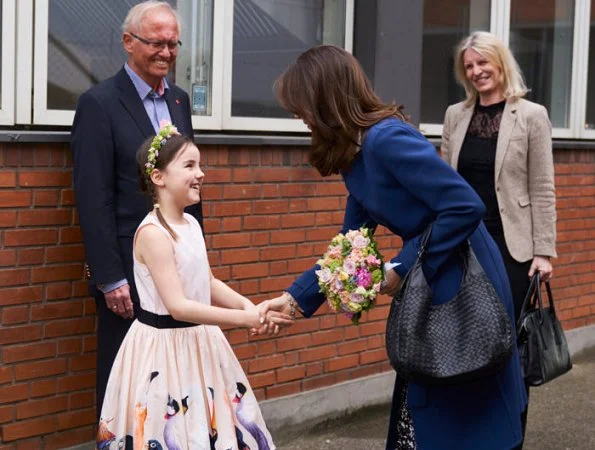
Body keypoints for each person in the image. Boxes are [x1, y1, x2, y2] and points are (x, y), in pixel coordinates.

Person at [268, 45, 527, 449]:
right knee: (433, 405)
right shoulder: (353, 155)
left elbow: (464, 206)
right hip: (432, 277)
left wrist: (402, 266)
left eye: (300, 107)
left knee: (465, 406)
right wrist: (295, 299)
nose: (298, 117)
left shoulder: (385, 139)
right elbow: (351, 245)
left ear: (324, 100)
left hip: (462, 276)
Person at [96, 123, 289, 449]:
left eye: (200, 165)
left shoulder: (190, 224)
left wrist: (246, 305)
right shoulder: (154, 234)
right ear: (159, 177)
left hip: (200, 342)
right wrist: (245, 320)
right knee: (174, 428)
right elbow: (178, 306)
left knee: (210, 428)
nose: (200, 173)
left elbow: (206, 281)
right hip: (164, 350)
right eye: (189, 166)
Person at [71, 1, 202, 418]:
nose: (166, 52)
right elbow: (94, 197)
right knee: (123, 376)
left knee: (171, 377)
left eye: (173, 43)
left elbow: (185, 181)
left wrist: (195, 253)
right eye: (155, 43)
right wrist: (110, 278)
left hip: (175, 263)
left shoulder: (179, 101)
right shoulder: (99, 103)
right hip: (128, 273)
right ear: (129, 43)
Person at [441, 31, 557, 446]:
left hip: (512, 252)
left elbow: (543, 188)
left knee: (507, 348)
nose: (476, 72)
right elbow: (444, 183)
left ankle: (510, 436)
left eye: (482, 63)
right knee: (465, 343)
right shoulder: (456, 115)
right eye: (469, 66)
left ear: (500, 62)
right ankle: (475, 432)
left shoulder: (531, 115)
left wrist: (543, 252)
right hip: (464, 246)